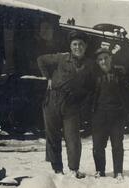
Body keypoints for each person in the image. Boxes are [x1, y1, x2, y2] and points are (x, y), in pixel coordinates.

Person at [37, 30, 94, 179]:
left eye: (81, 44)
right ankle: (57, 169)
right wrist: (48, 78)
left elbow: (91, 86)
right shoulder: (61, 58)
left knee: (73, 138)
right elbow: (41, 60)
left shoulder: (89, 64)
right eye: (74, 44)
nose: (77, 47)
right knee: (52, 136)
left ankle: (74, 169)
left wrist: (82, 100)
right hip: (53, 100)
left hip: (72, 104)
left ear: (85, 46)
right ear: (70, 46)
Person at [91, 48, 129, 181]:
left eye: (106, 58)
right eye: (100, 59)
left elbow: (128, 93)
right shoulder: (94, 76)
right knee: (98, 145)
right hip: (99, 115)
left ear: (111, 58)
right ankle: (100, 170)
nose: (103, 61)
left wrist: (128, 112)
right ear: (97, 62)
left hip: (117, 115)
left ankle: (118, 171)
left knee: (117, 144)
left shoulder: (120, 73)